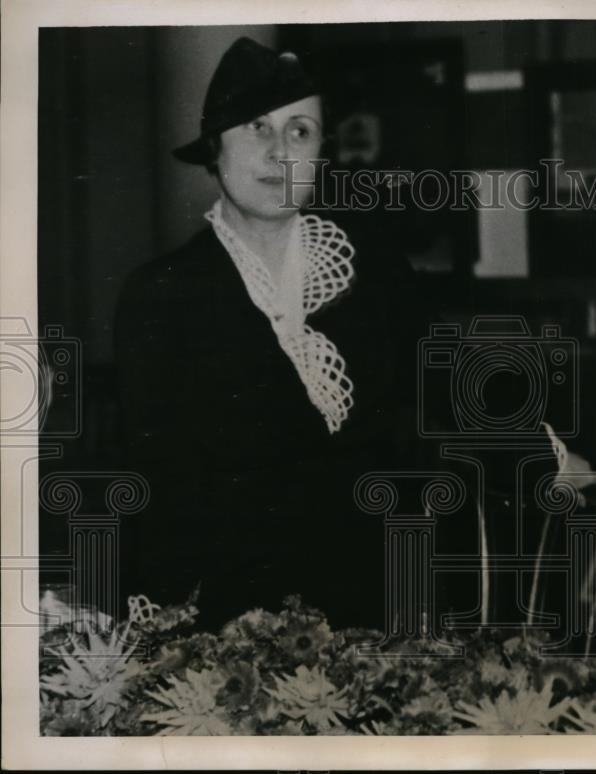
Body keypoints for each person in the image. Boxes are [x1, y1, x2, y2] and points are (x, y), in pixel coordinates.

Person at [114, 38, 429, 630]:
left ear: (320, 155)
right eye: (256, 127)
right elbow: (160, 495)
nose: (279, 150)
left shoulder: (378, 270)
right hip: (238, 633)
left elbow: (439, 405)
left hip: (385, 615)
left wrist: (547, 457)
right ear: (215, 148)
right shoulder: (161, 295)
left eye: (300, 131)